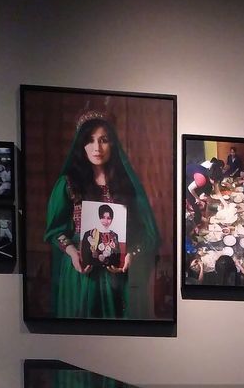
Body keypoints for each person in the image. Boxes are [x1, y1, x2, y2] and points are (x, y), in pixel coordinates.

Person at [44, 110, 160, 319]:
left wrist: (130, 254)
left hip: (117, 274)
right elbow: (56, 230)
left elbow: (143, 232)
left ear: (113, 144)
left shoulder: (126, 185)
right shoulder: (68, 183)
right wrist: (72, 252)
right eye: (90, 140)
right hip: (81, 271)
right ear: (82, 145)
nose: (97, 148)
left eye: (104, 140)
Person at [84, 204, 122, 268]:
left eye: (109, 218)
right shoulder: (88, 234)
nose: (105, 221)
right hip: (92, 271)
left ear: (112, 219)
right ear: (98, 217)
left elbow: (116, 259)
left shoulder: (114, 236)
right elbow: (85, 257)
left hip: (110, 271)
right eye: (102, 217)